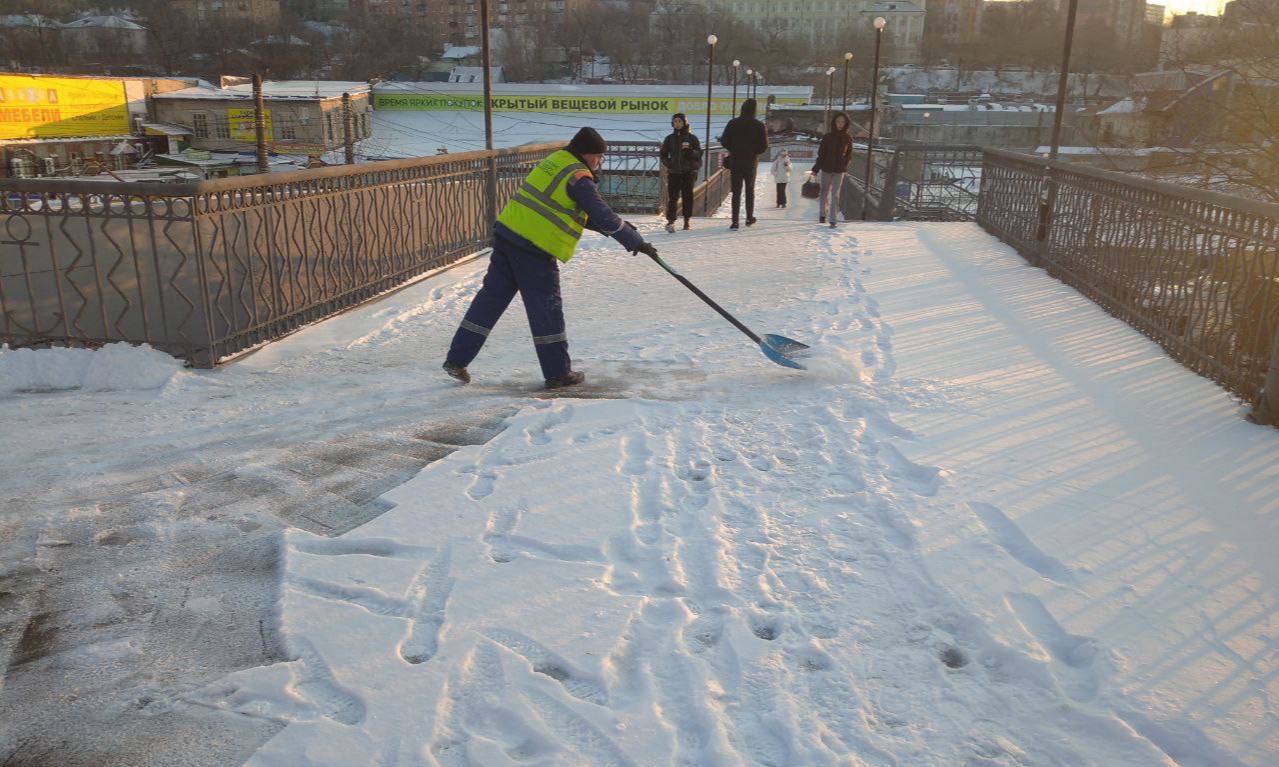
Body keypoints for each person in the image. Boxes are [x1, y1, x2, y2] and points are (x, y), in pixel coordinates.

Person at [442, 127, 658, 389]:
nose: (599, 163)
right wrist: (635, 241)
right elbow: (600, 213)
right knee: (547, 309)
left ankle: (457, 360)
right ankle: (557, 373)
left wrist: (625, 231)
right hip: (534, 247)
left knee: (490, 300)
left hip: (509, 235)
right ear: (586, 154)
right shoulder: (578, 175)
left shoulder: (555, 161)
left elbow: (574, 211)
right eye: (598, 157)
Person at [719, 98, 769, 230]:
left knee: (736, 191)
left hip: (735, 160)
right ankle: (749, 217)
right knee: (750, 190)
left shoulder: (733, 123)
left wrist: (734, 149)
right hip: (751, 162)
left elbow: (724, 141)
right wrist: (753, 152)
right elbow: (764, 146)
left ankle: (735, 221)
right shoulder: (759, 125)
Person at [660, 113, 702, 233]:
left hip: (688, 173)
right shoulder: (669, 138)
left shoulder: (691, 138)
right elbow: (663, 154)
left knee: (687, 197)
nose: (677, 123)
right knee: (673, 198)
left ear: (685, 123)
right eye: (675, 121)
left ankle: (687, 220)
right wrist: (668, 163)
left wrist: (691, 153)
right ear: (672, 123)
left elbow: (699, 153)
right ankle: (671, 221)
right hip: (674, 172)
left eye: (680, 121)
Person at [812, 112, 853, 228]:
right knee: (824, 192)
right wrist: (815, 169)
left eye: (842, 122)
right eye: (838, 122)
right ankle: (822, 214)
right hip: (827, 169)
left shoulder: (848, 138)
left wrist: (845, 163)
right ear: (834, 123)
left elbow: (849, 154)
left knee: (835, 194)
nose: (840, 124)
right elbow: (821, 154)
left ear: (846, 124)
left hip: (839, 170)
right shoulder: (828, 137)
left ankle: (833, 219)